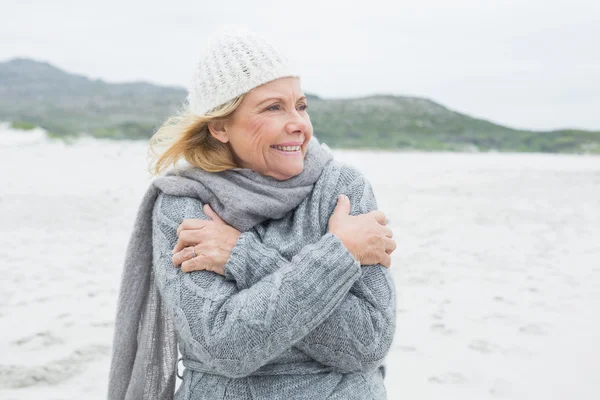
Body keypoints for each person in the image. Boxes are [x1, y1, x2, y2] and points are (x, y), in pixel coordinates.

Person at [107, 29, 397, 400]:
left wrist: (242, 256)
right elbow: (226, 348)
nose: (298, 124)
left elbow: (367, 343)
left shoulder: (343, 189)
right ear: (220, 126)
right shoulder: (183, 203)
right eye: (273, 107)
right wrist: (340, 253)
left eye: (301, 106)